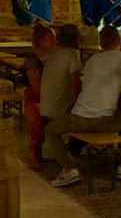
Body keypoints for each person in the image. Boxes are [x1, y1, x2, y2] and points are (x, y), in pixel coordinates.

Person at [46, 27, 121, 187]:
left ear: (100, 43)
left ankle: (69, 169)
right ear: (120, 41)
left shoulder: (93, 60)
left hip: (79, 118)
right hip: (106, 121)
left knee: (50, 131)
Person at [24, 25, 79, 170]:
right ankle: (34, 153)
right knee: (38, 119)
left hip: (52, 98)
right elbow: (37, 88)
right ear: (41, 42)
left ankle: (71, 149)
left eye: (56, 39)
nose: (55, 42)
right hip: (35, 99)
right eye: (51, 39)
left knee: (72, 112)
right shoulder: (32, 61)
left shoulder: (56, 56)